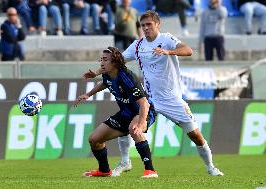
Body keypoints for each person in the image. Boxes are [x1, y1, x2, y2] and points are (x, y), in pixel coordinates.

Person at [83, 10, 224, 177]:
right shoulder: (138, 45)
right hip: (148, 98)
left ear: (158, 24)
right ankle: (126, 162)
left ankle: (210, 167)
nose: (146, 28)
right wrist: (97, 72)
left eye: (149, 24)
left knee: (196, 136)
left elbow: (188, 50)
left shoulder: (167, 39)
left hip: (171, 99)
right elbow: (116, 59)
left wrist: (168, 52)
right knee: (130, 122)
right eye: (143, 25)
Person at [75, 46, 158, 178]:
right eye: (101, 59)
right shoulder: (107, 74)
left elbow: (144, 103)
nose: (102, 63)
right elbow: (105, 83)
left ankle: (150, 170)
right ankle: (104, 170)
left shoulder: (127, 77)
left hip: (144, 111)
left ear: (115, 61)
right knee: (94, 139)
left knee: (134, 128)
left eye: (105, 60)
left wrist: (141, 123)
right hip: (125, 114)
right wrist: (88, 94)